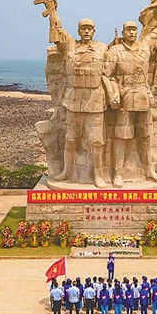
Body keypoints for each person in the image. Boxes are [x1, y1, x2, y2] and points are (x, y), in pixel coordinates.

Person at [48, 17, 110, 187]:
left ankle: (99, 175)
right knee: (70, 138)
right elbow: (58, 33)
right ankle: (66, 171)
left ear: (94, 31)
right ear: (78, 31)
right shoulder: (70, 45)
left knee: (96, 140)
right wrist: (53, 12)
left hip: (94, 99)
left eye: (90, 28)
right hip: (73, 99)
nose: (86, 31)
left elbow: (111, 71)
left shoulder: (102, 48)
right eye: (83, 28)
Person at [103, 21, 157, 187]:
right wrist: (113, 93)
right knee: (121, 137)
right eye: (128, 30)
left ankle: (149, 171)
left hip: (144, 97)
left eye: (134, 30)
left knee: (145, 136)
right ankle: (117, 174)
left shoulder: (144, 48)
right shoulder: (115, 51)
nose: (131, 33)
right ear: (123, 32)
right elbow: (106, 75)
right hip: (125, 98)